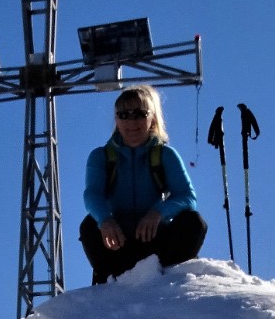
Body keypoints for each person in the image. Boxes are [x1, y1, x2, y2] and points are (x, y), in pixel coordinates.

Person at [80, 85, 207, 284]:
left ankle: (170, 278)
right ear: (116, 120)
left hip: (155, 241)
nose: (131, 121)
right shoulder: (101, 157)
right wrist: (105, 220)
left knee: (193, 222)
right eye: (124, 115)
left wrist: (158, 212)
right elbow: (92, 194)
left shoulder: (165, 155)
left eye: (140, 114)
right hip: (118, 243)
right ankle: (108, 282)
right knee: (89, 226)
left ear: (152, 118)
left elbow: (187, 196)